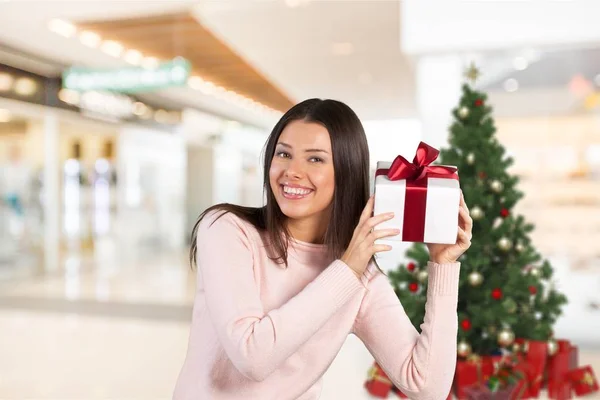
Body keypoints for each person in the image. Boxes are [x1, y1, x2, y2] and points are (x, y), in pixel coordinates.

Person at [173, 99, 473, 400]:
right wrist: (346, 271)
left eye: (315, 159)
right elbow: (253, 357)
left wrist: (443, 265)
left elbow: (427, 386)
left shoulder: (360, 278)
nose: (292, 171)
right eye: (283, 154)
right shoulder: (228, 229)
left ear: (346, 172)